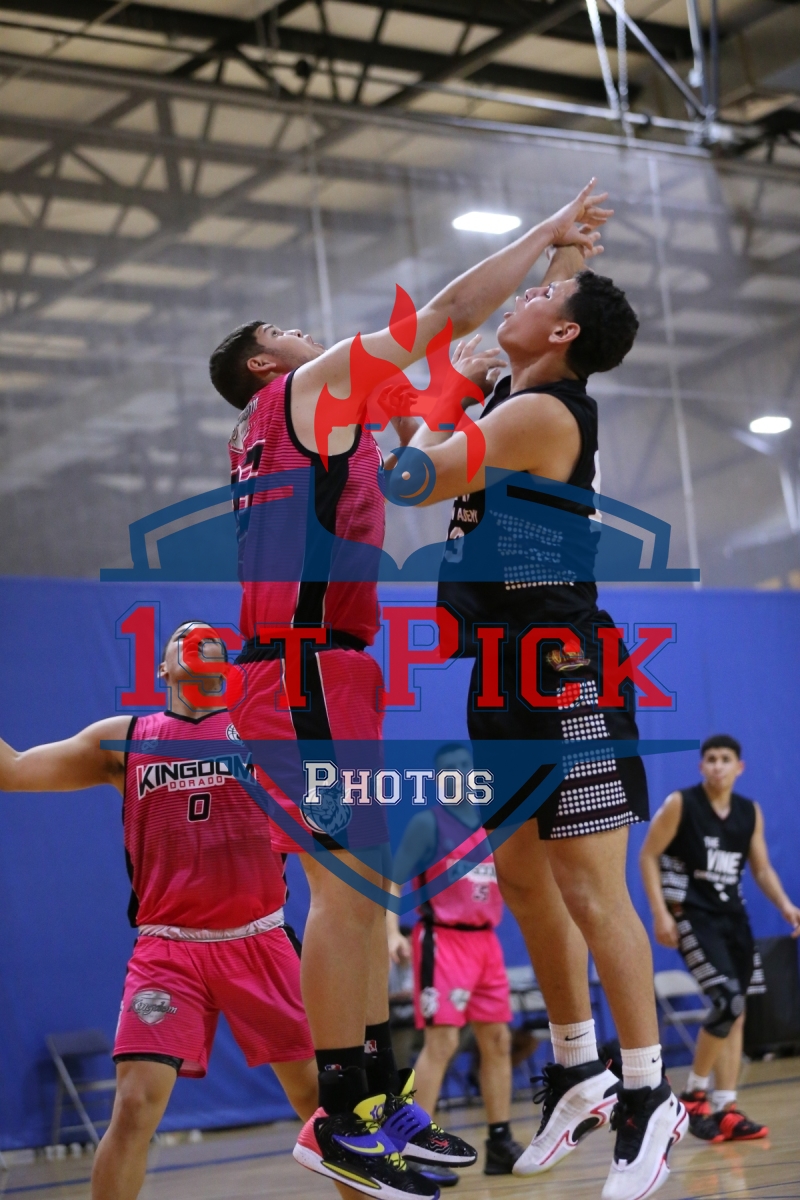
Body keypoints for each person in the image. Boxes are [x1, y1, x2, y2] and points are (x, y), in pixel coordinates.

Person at [209, 179, 609, 1196]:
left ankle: (373, 1096)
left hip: (325, 669)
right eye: (286, 330)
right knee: (343, 889)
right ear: (263, 363)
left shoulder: (316, 423)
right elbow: (447, 315)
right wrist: (546, 234)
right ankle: (340, 1112)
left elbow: (432, 430)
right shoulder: (299, 396)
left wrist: (494, 350)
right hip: (300, 666)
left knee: (361, 891)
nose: (309, 332)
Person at [382, 223, 688, 1200]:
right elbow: (551, 312)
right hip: (501, 671)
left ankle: (648, 1093)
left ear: (561, 336)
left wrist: (429, 399)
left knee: (592, 888)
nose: (523, 298)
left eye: (541, 299)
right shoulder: (517, 391)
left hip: (565, 673)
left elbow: (410, 477)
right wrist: (559, 244)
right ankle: (576, 1065)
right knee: (521, 877)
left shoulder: (542, 413)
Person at [0, 623, 359, 1200]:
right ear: (163, 668)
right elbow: (13, 769)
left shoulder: (263, 730)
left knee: (322, 1102)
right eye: (182, 636)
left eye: (210, 636)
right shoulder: (126, 739)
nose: (198, 637)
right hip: (168, 950)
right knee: (134, 1106)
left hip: (260, 940)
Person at [640, 733, 800, 1142]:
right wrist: (660, 912)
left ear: (739, 767)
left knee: (737, 1011)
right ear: (701, 766)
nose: (717, 765)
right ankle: (694, 1095)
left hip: (733, 917)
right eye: (710, 759)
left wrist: (786, 905)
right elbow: (648, 855)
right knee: (727, 1001)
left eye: (725, 759)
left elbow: (761, 868)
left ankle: (727, 1108)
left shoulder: (749, 811)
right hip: (693, 915)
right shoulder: (682, 803)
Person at [387, 744, 523, 1185]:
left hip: (486, 943)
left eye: (466, 766)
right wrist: (391, 933)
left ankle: (499, 1140)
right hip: (443, 940)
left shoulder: (493, 824)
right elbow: (394, 881)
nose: (460, 774)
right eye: (450, 770)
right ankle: (416, 1147)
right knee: (442, 1043)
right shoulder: (428, 823)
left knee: (498, 1040)